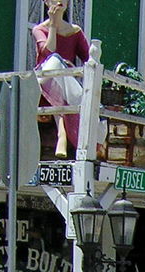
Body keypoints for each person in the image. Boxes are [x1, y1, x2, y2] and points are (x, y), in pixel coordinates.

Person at [33, 0, 91, 158]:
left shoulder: (75, 31)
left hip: (68, 88)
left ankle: (63, 133)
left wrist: (73, 70)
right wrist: (52, 25)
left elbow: (90, 61)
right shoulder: (39, 29)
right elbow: (48, 52)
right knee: (55, 61)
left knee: (62, 68)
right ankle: (62, 133)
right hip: (44, 89)